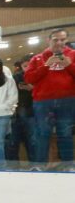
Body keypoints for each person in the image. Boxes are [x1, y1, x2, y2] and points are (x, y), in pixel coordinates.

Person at [24, 28, 75, 164]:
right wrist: (46, 65)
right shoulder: (37, 58)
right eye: (55, 39)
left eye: (62, 39)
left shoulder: (73, 55)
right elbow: (28, 78)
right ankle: (39, 165)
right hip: (43, 102)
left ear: (67, 40)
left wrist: (70, 66)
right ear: (49, 40)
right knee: (42, 133)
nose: (59, 42)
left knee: (65, 134)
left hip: (67, 101)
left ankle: (68, 165)